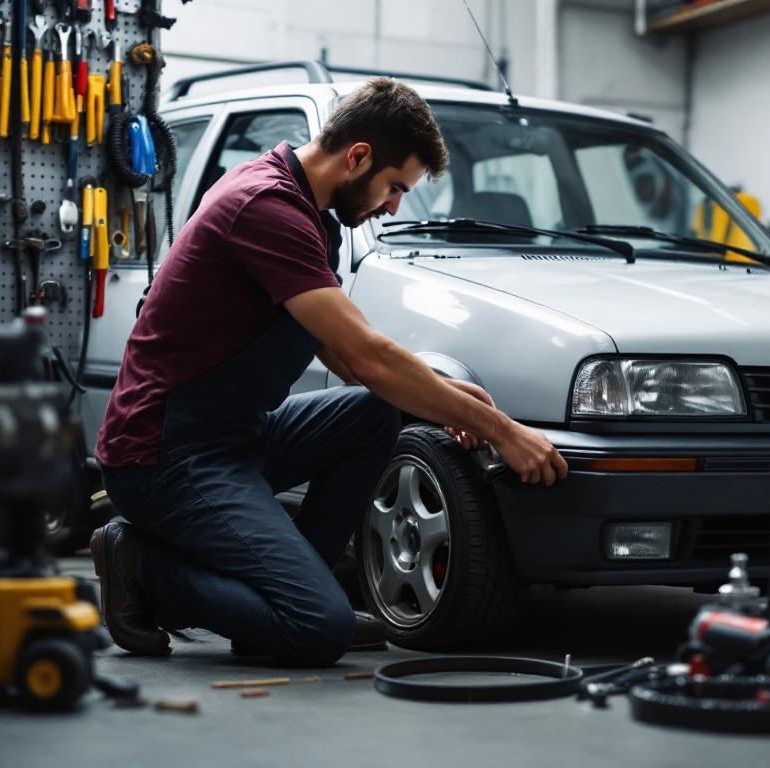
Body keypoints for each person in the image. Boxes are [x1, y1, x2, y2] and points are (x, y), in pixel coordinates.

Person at [91, 77, 567, 666]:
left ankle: (280, 601)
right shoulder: (266, 208)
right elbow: (367, 356)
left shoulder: (315, 217)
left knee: (373, 412)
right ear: (357, 156)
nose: (393, 206)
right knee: (319, 627)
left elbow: (343, 355)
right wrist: (502, 430)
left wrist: (443, 395)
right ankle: (142, 564)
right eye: (395, 187)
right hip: (163, 455)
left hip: (233, 436)